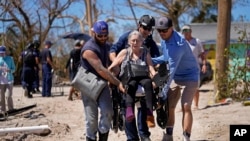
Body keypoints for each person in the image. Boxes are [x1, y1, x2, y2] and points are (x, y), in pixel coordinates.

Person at [152, 17, 199, 141]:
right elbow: (167, 57)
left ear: (171, 28)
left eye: (165, 30)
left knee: (186, 106)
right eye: (159, 30)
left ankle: (186, 137)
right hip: (177, 75)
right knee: (170, 105)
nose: (162, 33)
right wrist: (150, 61)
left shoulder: (179, 44)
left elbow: (170, 71)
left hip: (190, 76)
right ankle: (169, 135)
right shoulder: (164, 40)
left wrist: (162, 94)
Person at [109, 14, 160, 128]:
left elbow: (155, 60)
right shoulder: (127, 37)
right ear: (139, 25)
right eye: (145, 28)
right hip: (126, 73)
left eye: (150, 29)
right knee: (129, 90)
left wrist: (154, 72)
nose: (147, 31)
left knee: (147, 90)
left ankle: (145, 130)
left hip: (143, 73)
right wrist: (117, 65)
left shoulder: (150, 43)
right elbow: (113, 51)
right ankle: (131, 133)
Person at [80, 20, 125, 141]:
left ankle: (103, 136)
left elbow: (112, 62)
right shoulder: (88, 49)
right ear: (93, 32)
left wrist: (115, 67)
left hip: (101, 84)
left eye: (106, 35)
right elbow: (100, 69)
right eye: (100, 35)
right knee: (91, 118)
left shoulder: (108, 46)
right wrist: (117, 82)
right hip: (88, 84)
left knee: (108, 112)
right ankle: (91, 137)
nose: (103, 38)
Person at [181, 25, 207, 110]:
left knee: (195, 87)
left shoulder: (197, 41)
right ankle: (183, 106)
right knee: (183, 88)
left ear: (191, 31)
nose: (186, 33)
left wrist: (204, 64)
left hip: (194, 68)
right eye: (184, 31)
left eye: (187, 30)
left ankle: (196, 105)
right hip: (183, 68)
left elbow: (202, 54)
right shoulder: (181, 42)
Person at [0, 46, 16, 114]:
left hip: (9, 80)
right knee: (1, 97)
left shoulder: (10, 59)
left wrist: (10, 70)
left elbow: (14, 69)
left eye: (3, 53)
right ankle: (2, 110)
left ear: (5, 52)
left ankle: (11, 109)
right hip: (1, 81)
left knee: (8, 96)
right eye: (0, 53)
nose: (1, 54)